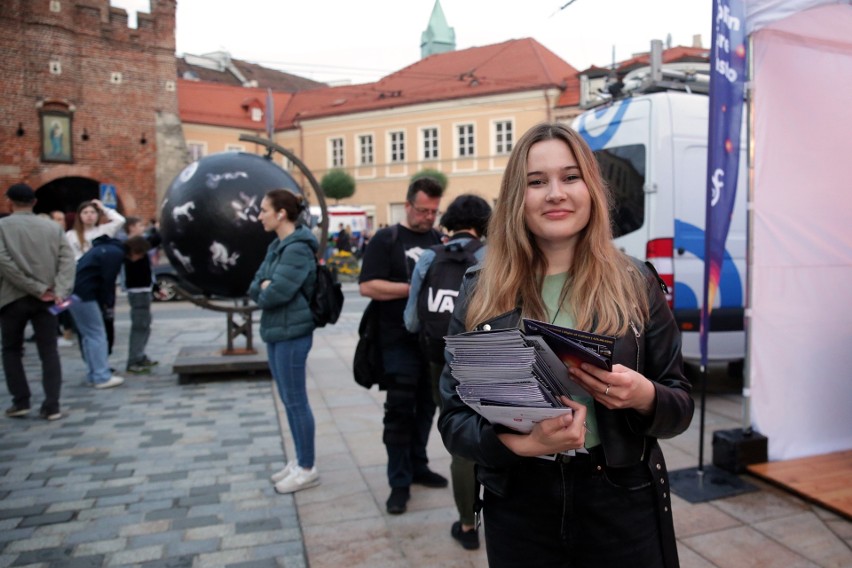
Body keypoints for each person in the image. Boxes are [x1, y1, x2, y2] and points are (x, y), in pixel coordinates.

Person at [437, 123, 695, 567]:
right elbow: (454, 421)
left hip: (620, 498)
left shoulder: (636, 283)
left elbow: (681, 406)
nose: (555, 193)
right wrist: (518, 444)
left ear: (591, 189)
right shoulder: (481, 289)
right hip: (519, 502)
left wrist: (645, 396)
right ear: (518, 197)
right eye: (537, 182)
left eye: (570, 177)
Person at [404, 193, 491, 549]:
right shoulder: (492, 256)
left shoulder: (429, 257)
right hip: (487, 358)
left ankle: (467, 526)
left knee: (461, 440)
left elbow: (411, 320)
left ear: (450, 220)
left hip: (441, 360)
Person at [359, 176, 448, 515]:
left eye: (433, 211)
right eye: (423, 210)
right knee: (399, 412)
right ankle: (398, 482)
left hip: (429, 342)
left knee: (427, 406)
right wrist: (414, 288)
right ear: (408, 205)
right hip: (394, 340)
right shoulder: (386, 239)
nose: (428, 217)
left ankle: (418, 465)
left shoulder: (438, 239)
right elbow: (368, 287)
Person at [249, 189, 321, 494]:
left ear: (281, 214)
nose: (259, 215)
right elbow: (256, 284)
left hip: (293, 332)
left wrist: (267, 288)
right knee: (289, 400)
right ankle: (299, 460)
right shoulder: (277, 246)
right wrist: (265, 287)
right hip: (276, 330)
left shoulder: (297, 248)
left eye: (264, 210)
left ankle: (307, 468)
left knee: (296, 400)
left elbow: (276, 292)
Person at [0, 183, 76, 420]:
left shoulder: (2, 227)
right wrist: (60, 290)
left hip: (12, 298)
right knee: (49, 351)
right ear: (34, 202)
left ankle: (21, 401)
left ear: (9, 202)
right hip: (49, 297)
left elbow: (4, 263)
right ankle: (52, 405)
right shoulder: (52, 228)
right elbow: (68, 260)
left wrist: (36, 288)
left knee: (12, 350)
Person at [70, 235, 149, 389]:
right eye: (141, 254)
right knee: (97, 335)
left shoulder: (107, 249)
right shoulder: (115, 254)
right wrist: (108, 303)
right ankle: (101, 376)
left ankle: (93, 374)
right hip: (86, 295)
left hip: (75, 293)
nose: (139, 258)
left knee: (88, 335)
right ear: (136, 250)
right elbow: (108, 281)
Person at [66, 199, 125, 355]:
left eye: (92, 212)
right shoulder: (71, 236)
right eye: (85, 212)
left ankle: (105, 355)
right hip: (81, 281)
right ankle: (90, 357)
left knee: (106, 319)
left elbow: (120, 220)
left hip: (101, 280)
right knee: (85, 324)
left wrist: (103, 207)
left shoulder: (103, 231)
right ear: (79, 216)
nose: (89, 216)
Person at [122, 217, 160, 374]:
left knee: (145, 325)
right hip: (137, 292)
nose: (142, 227)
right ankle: (134, 360)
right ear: (131, 227)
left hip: (143, 289)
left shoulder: (139, 243)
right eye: (139, 225)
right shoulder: (130, 246)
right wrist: (156, 228)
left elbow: (147, 271)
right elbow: (156, 239)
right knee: (139, 326)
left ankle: (140, 355)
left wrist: (154, 287)